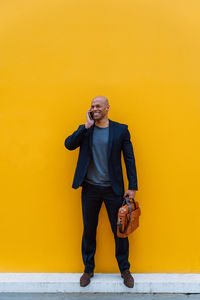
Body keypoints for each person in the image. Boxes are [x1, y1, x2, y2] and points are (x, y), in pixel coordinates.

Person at [64, 96, 138, 288]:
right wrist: (85, 127)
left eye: (98, 106)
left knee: (120, 231)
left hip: (114, 190)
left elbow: (129, 159)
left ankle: (125, 270)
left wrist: (132, 187)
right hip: (90, 188)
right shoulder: (87, 130)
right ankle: (88, 269)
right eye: (92, 106)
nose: (94, 108)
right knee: (89, 229)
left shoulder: (120, 130)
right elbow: (69, 144)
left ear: (107, 108)